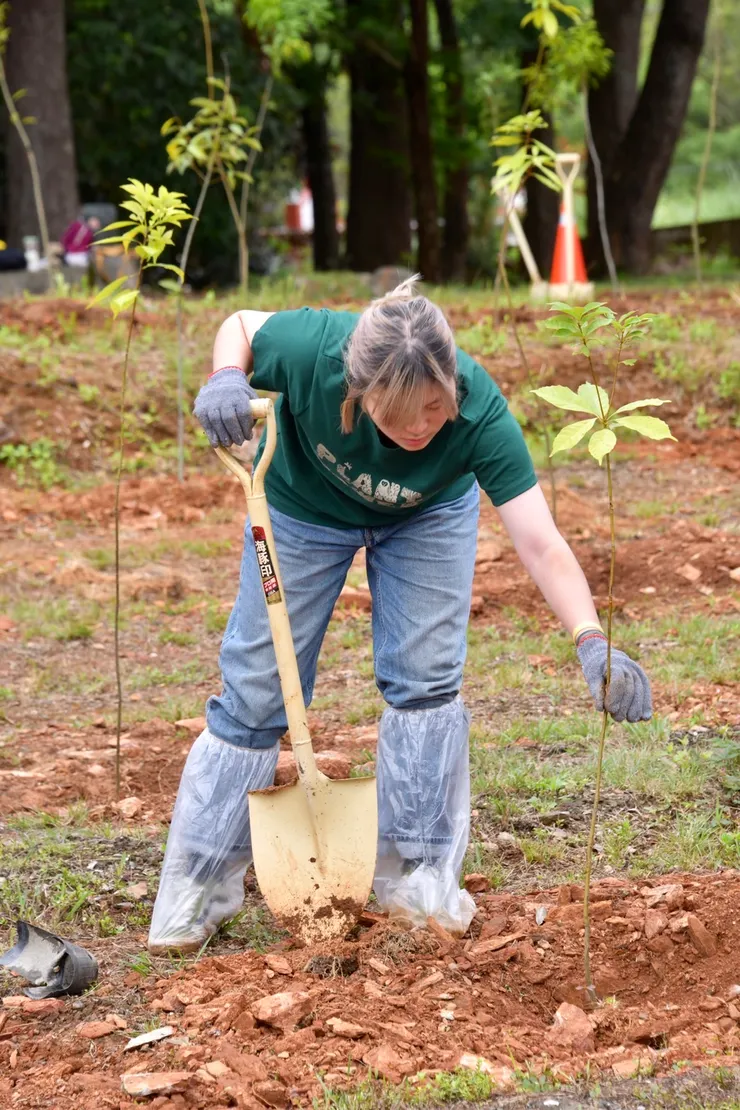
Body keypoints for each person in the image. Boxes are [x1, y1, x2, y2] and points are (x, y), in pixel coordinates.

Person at [147, 277, 652, 953]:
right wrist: (224, 376)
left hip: (427, 517)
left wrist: (591, 640)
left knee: (425, 680)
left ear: (452, 383)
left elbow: (540, 539)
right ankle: (198, 886)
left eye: (434, 408)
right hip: (302, 507)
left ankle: (418, 879)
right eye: (396, 414)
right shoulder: (314, 350)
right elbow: (240, 321)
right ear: (357, 392)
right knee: (256, 690)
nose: (419, 427)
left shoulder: (480, 414)